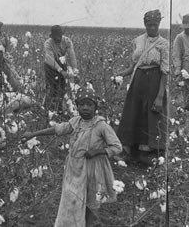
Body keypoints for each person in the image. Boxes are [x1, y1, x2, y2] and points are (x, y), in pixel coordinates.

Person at [21, 87, 122, 227]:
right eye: (82, 104)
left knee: (92, 199)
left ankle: (88, 223)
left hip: (93, 170)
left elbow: (117, 147)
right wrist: (33, 134)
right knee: (72, 198)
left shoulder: (101, 126)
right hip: (74, 168)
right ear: (77, 106)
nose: (85, 108)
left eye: (89, 104)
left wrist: (98, 151)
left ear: (95, 107)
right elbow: (57, 129)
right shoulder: (75, 122)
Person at [115, 9, 168, 165]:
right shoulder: (137, 41)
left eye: (155, 25)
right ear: (145, 24)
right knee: (133, 112)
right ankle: (129, 150)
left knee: (151, 114)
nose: (152, 28)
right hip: (138, 81)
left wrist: (159, 96)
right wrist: (121, 74)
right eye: (149, 25)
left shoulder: (164, 44)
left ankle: (148, 152)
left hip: (154, 81)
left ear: (159, 24)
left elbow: (165, 71)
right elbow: (134, 65)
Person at [44, 25, 77, 114]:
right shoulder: (48, 43)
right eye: (55, 37)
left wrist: (75, 69)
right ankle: (47, 109)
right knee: (51, 88)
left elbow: (72, 55)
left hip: (62, 64)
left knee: (61, 88)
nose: (57, 38)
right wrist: (61, 71)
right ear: (52, 36)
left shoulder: (67, 41)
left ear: (61, 35)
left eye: (58, 36)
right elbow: (50, 59)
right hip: (50, 67)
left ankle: (59, 109)